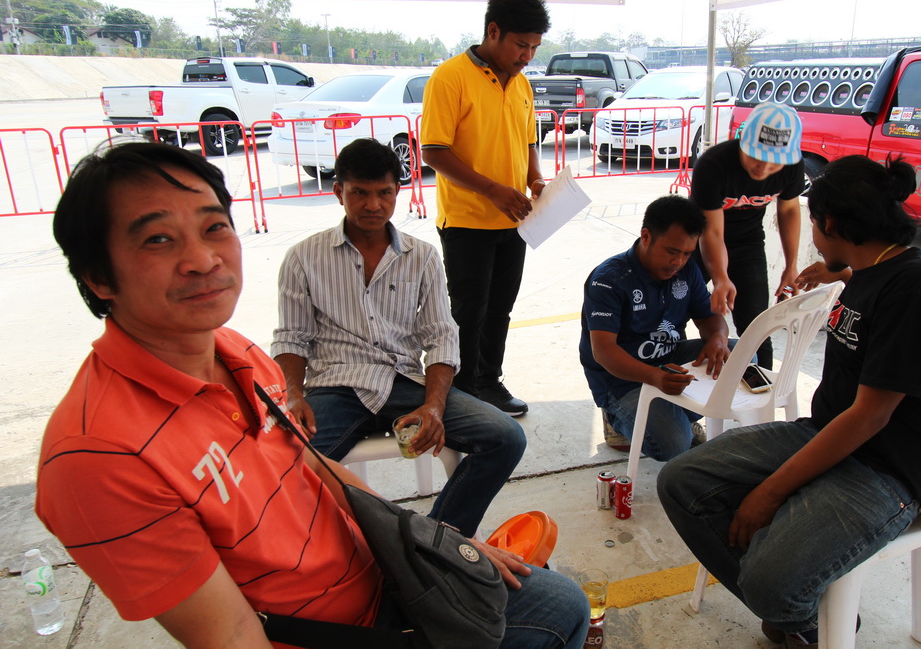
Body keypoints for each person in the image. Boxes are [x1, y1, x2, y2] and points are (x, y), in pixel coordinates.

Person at [36, 140, 590, 649]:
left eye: (214, 227)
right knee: (559, 614)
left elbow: (322, 463)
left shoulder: (237, 353)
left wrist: (434, 546)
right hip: (338, 602)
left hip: (392, 468)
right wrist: (296, 392)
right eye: (158, 239)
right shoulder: (98, 456)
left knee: (515, 470)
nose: (203, 259)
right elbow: (231, 635)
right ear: (97, 276)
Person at [658, 155, 921, 647]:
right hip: (826, 433)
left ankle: (789, 601)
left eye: (813, 222)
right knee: (682, 481)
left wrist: (771, 493)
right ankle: (800, 613)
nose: (812, 236)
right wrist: (839, 275)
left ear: (831, 225)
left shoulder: (919, 286)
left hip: (889, 468)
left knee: (768, 581)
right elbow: (871, 309)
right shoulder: (870, 269)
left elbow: (871, 416)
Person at [271, 138, 526, 539]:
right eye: (360, 193)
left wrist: (434, 406)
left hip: (405, 383)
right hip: (335, 388)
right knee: (281, 472)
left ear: (397, 192)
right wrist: (293, 395)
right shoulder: (303, 258)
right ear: (339, 192)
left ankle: (435, 542)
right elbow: (291, 337)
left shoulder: (421, 256)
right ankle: (340, 554)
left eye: (384, 193)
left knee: (506, 438)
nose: (373, 205)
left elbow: (441, 336)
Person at [420, 0, 551, 417]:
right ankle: (461, 394)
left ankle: (489, 383)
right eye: (520, 45)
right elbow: (434, 151)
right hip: (467, 221)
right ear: (493, 31)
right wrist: (492, 189)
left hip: (514, 220)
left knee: (500, 310)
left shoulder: (522, 84)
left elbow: (527, 141)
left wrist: (535, 179)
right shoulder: (450, 77)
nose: (527, 56)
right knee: (466, 314)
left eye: (534, 47)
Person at [579, 194, 732, 461]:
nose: (679, 262)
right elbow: (603, 352)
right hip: (622, 381)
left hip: (669, 360)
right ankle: (617, 417)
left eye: (687, 254)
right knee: (674, 443)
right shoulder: (609, 279)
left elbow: (709, 317)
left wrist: (718, 338)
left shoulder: (687, 270)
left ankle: (674, 415)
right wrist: (655, 377)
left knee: (740, 356)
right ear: (646, 236)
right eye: (672, 251)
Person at [692, 101, 806, 369]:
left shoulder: (792, 166)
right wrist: (720, 277)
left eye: (774, 163)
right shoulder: (714, 164)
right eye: (756, 156)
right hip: (697, 240)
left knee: (756, 326)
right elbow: (712, 231)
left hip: (748, 242)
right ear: (742, 140)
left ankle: (762, 387)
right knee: (673, 313)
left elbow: (789, 210)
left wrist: (791, 266)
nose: (763, 169)